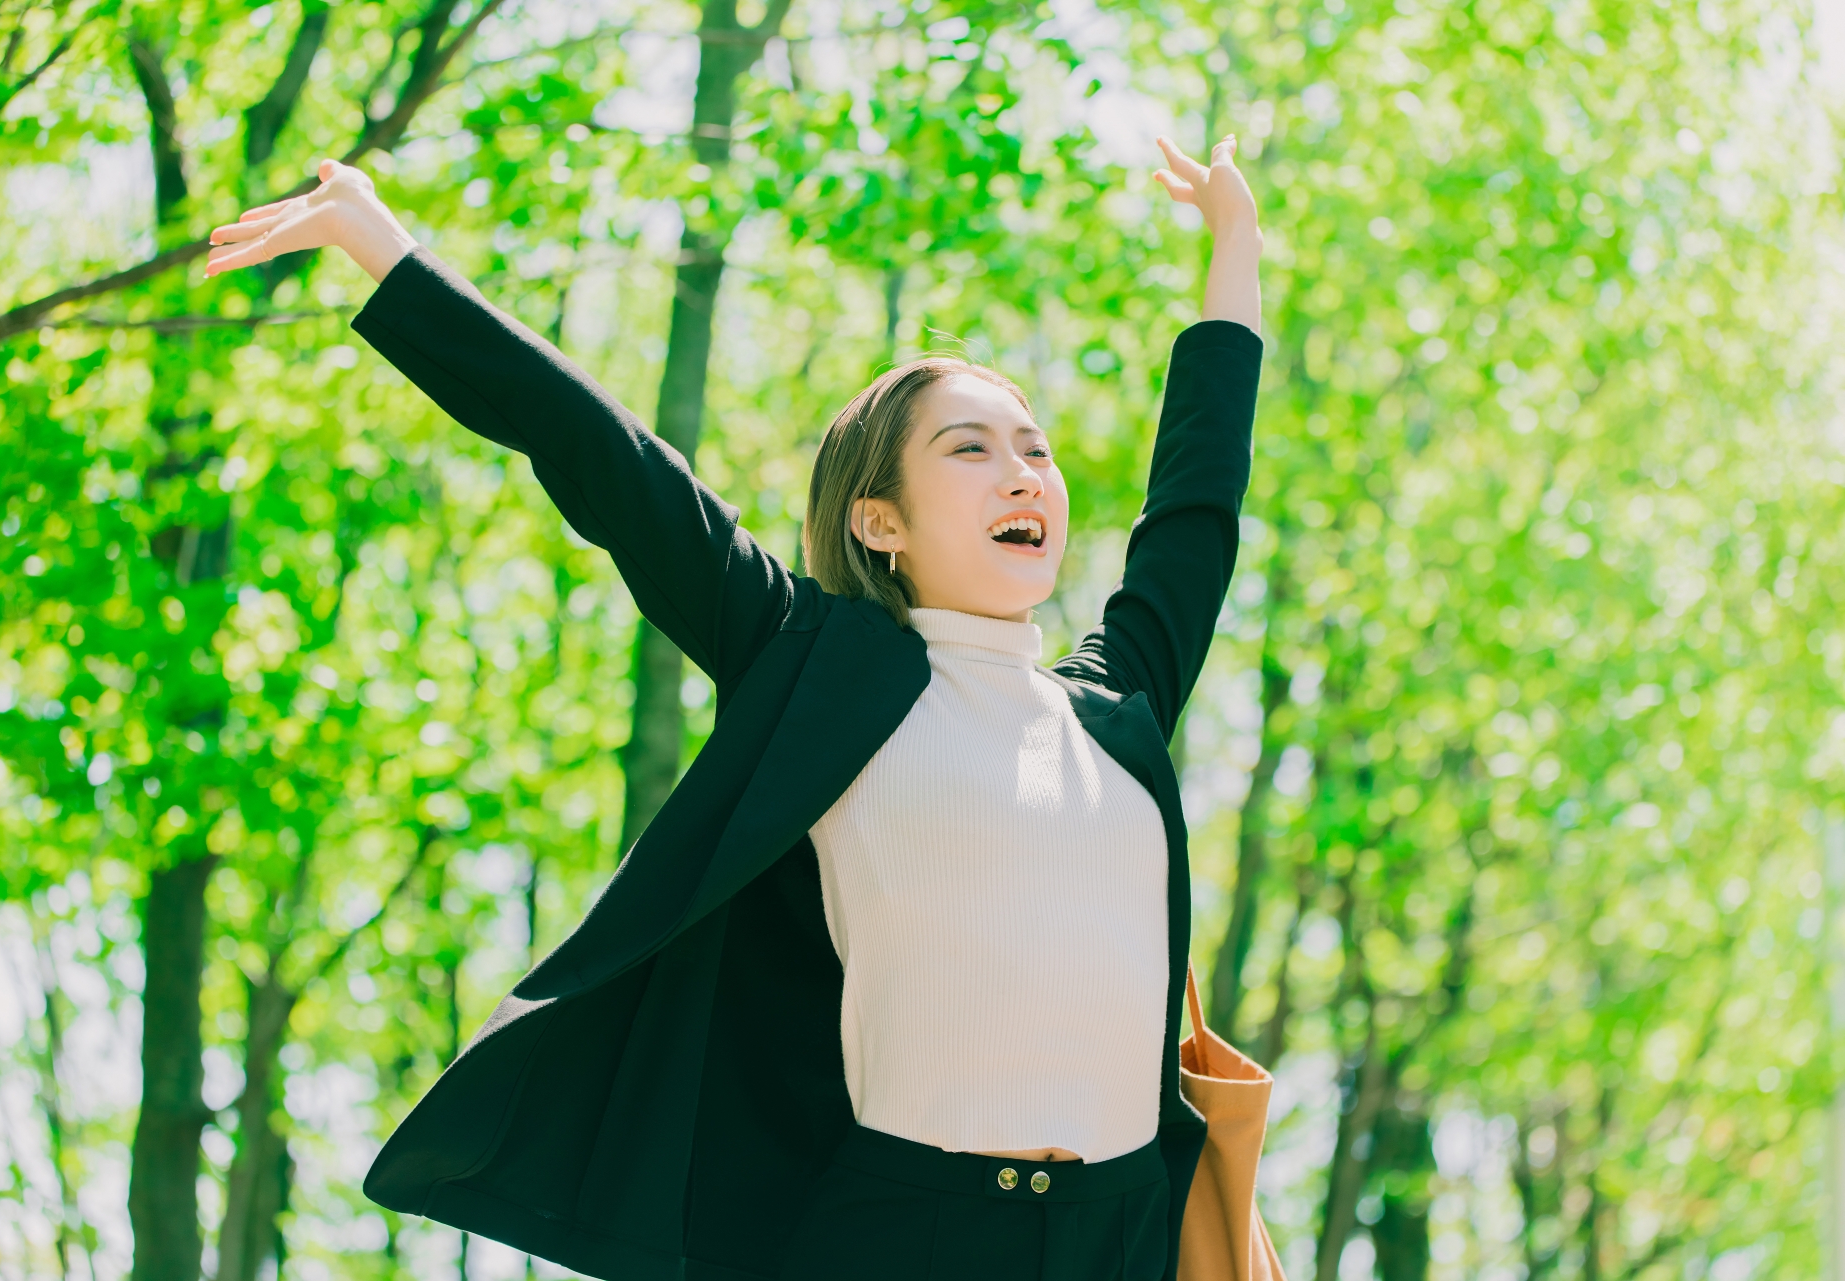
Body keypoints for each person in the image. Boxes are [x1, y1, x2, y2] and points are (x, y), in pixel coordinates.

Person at [207, 131, 1263, 1281]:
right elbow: (602, 459)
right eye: (971, 449)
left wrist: (1235, 250)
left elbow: (1195, 507)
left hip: (1123, 1236)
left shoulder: (1116, 707)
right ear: (879, 521)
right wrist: (383, 247)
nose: (1024, 473)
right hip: (905, 1233)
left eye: (1035, 451)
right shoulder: (816, 662)